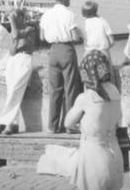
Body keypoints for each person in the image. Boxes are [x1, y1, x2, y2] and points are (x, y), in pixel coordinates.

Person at [37, 50, 124, 190]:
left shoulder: (86, 98)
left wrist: (82, 125)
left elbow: (68, 123)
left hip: (95, 159)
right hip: (116, 156)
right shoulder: (115, 92)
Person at [40, 0, 83, 134]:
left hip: (52, 51)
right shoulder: (69, 15)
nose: (69, 0)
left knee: (55, 90)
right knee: (71, 88)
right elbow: (76, 37)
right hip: (66, 50)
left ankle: (52, 126)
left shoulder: (46, 14)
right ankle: (69, 125)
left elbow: (41, 37)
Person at [0, 8, 35, 135]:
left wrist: (11, 21)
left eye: (16, 16)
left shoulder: (30, 29)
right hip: (13, 60)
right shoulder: (14, 33)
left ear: (22, 17)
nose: (13, 19)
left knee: (16, 89)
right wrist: (15, 42)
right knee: (11, 90)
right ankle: (13, 125)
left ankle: (3, 122)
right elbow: (12, 51)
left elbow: (17, 35)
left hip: (25, 59)